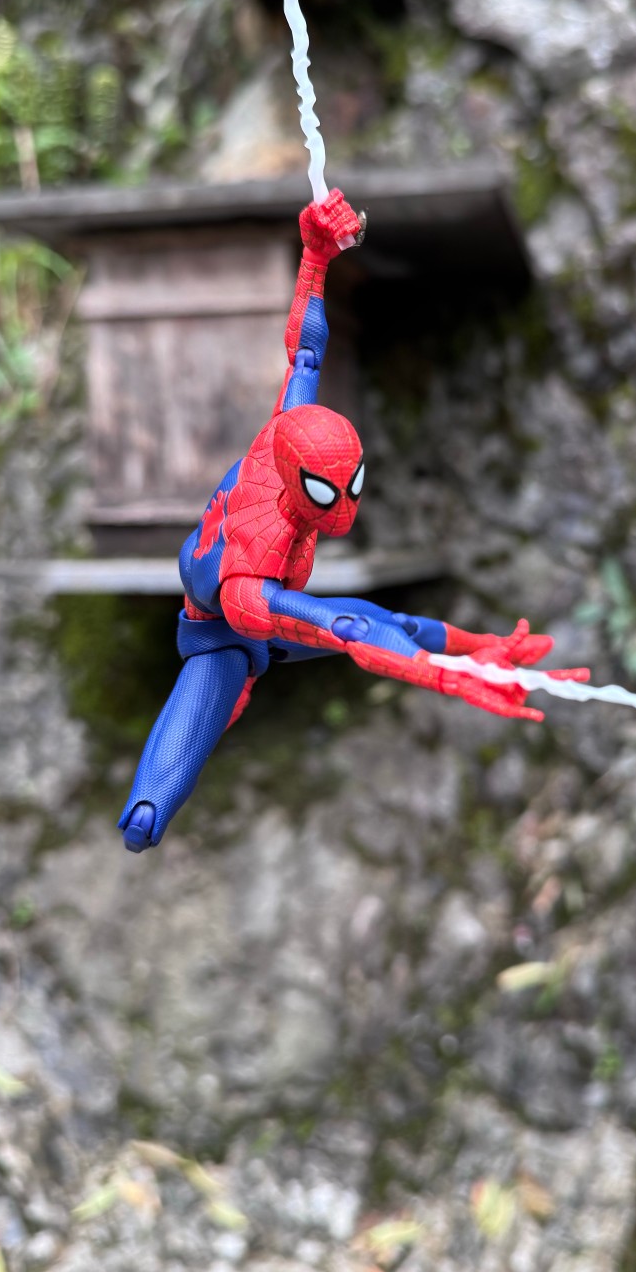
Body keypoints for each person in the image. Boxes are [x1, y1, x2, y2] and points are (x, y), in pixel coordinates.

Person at [118, 189, 582, 853]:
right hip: (225, 636)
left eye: (351, 486)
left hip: (266, 610)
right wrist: (447, 677)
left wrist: (315, 255)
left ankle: (483, 643)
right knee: (149, 815)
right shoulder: (249, 575)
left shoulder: (286, 433)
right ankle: (152, 796)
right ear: (296, 478)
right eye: (326, 491)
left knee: (395, 621)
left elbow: (306, 353)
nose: (344, 507)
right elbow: (345, 630)